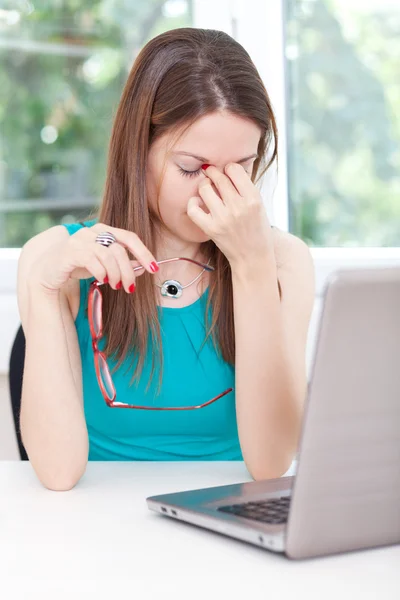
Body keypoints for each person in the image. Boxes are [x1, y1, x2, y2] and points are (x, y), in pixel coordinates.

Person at [17, 28, 315, 491]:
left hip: (231, 517)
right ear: (139, 152)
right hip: (97, 528)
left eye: (240, 169)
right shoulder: (54, 256)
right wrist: (43, 288)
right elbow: (57, 473)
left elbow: (272, 463)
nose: (216, 192)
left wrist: (252, 266)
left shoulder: (285, 263)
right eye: (192, 169)